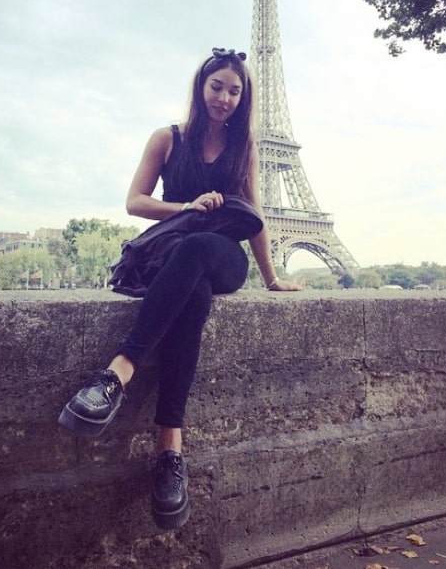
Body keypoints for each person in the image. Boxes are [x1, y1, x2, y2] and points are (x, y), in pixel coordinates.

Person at [58, 47, 302, 530]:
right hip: (175, 257)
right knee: (192, 297)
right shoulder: (167, 139)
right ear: (200, 86)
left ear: (244, 97)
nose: (225, 98)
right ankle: (170, 452)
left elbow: (254, 217)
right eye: (217, 87)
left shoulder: (245, 147)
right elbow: (135, 201)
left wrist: (271, 277)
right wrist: (187, 207)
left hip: (223, 259)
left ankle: (117, 373)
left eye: (235, 91)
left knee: (198, 254)